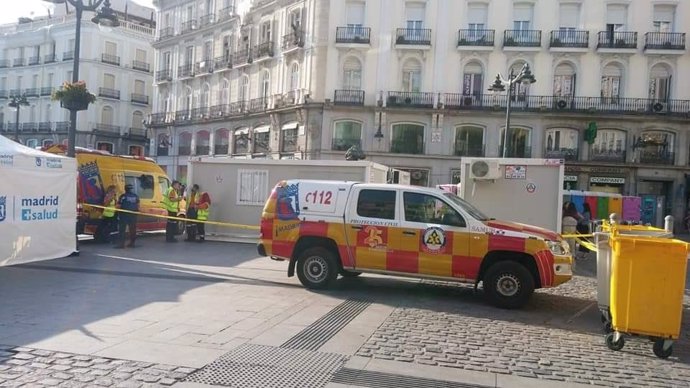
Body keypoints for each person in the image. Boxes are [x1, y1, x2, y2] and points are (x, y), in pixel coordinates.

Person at [114, 184, 140, 249]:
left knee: (122, 229)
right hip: (133, 214)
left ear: (125, 189)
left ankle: (121, 244)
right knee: (133, 229)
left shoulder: (123, 196)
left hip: (124, 215)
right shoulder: (136, 196)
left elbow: (118, 206)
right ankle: (132, 243)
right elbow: (138, 206)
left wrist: (115, 206)